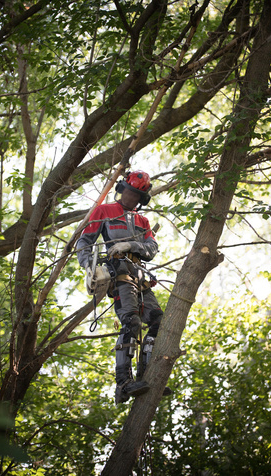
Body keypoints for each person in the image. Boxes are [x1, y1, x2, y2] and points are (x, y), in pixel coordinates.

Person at [76, 171, 166, 404]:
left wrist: (131, 244)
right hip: (119, 273)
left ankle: (147, 377)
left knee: (158, 321)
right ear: (122, 188)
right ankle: (123, 385)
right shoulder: (103, 211)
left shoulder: (143, 221)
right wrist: (89, 266)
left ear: (141, 198)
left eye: (137, 195)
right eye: (129, 191)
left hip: (141, 276)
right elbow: (84, 242)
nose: (131, 197)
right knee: (131, 321)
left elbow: (151, 248)